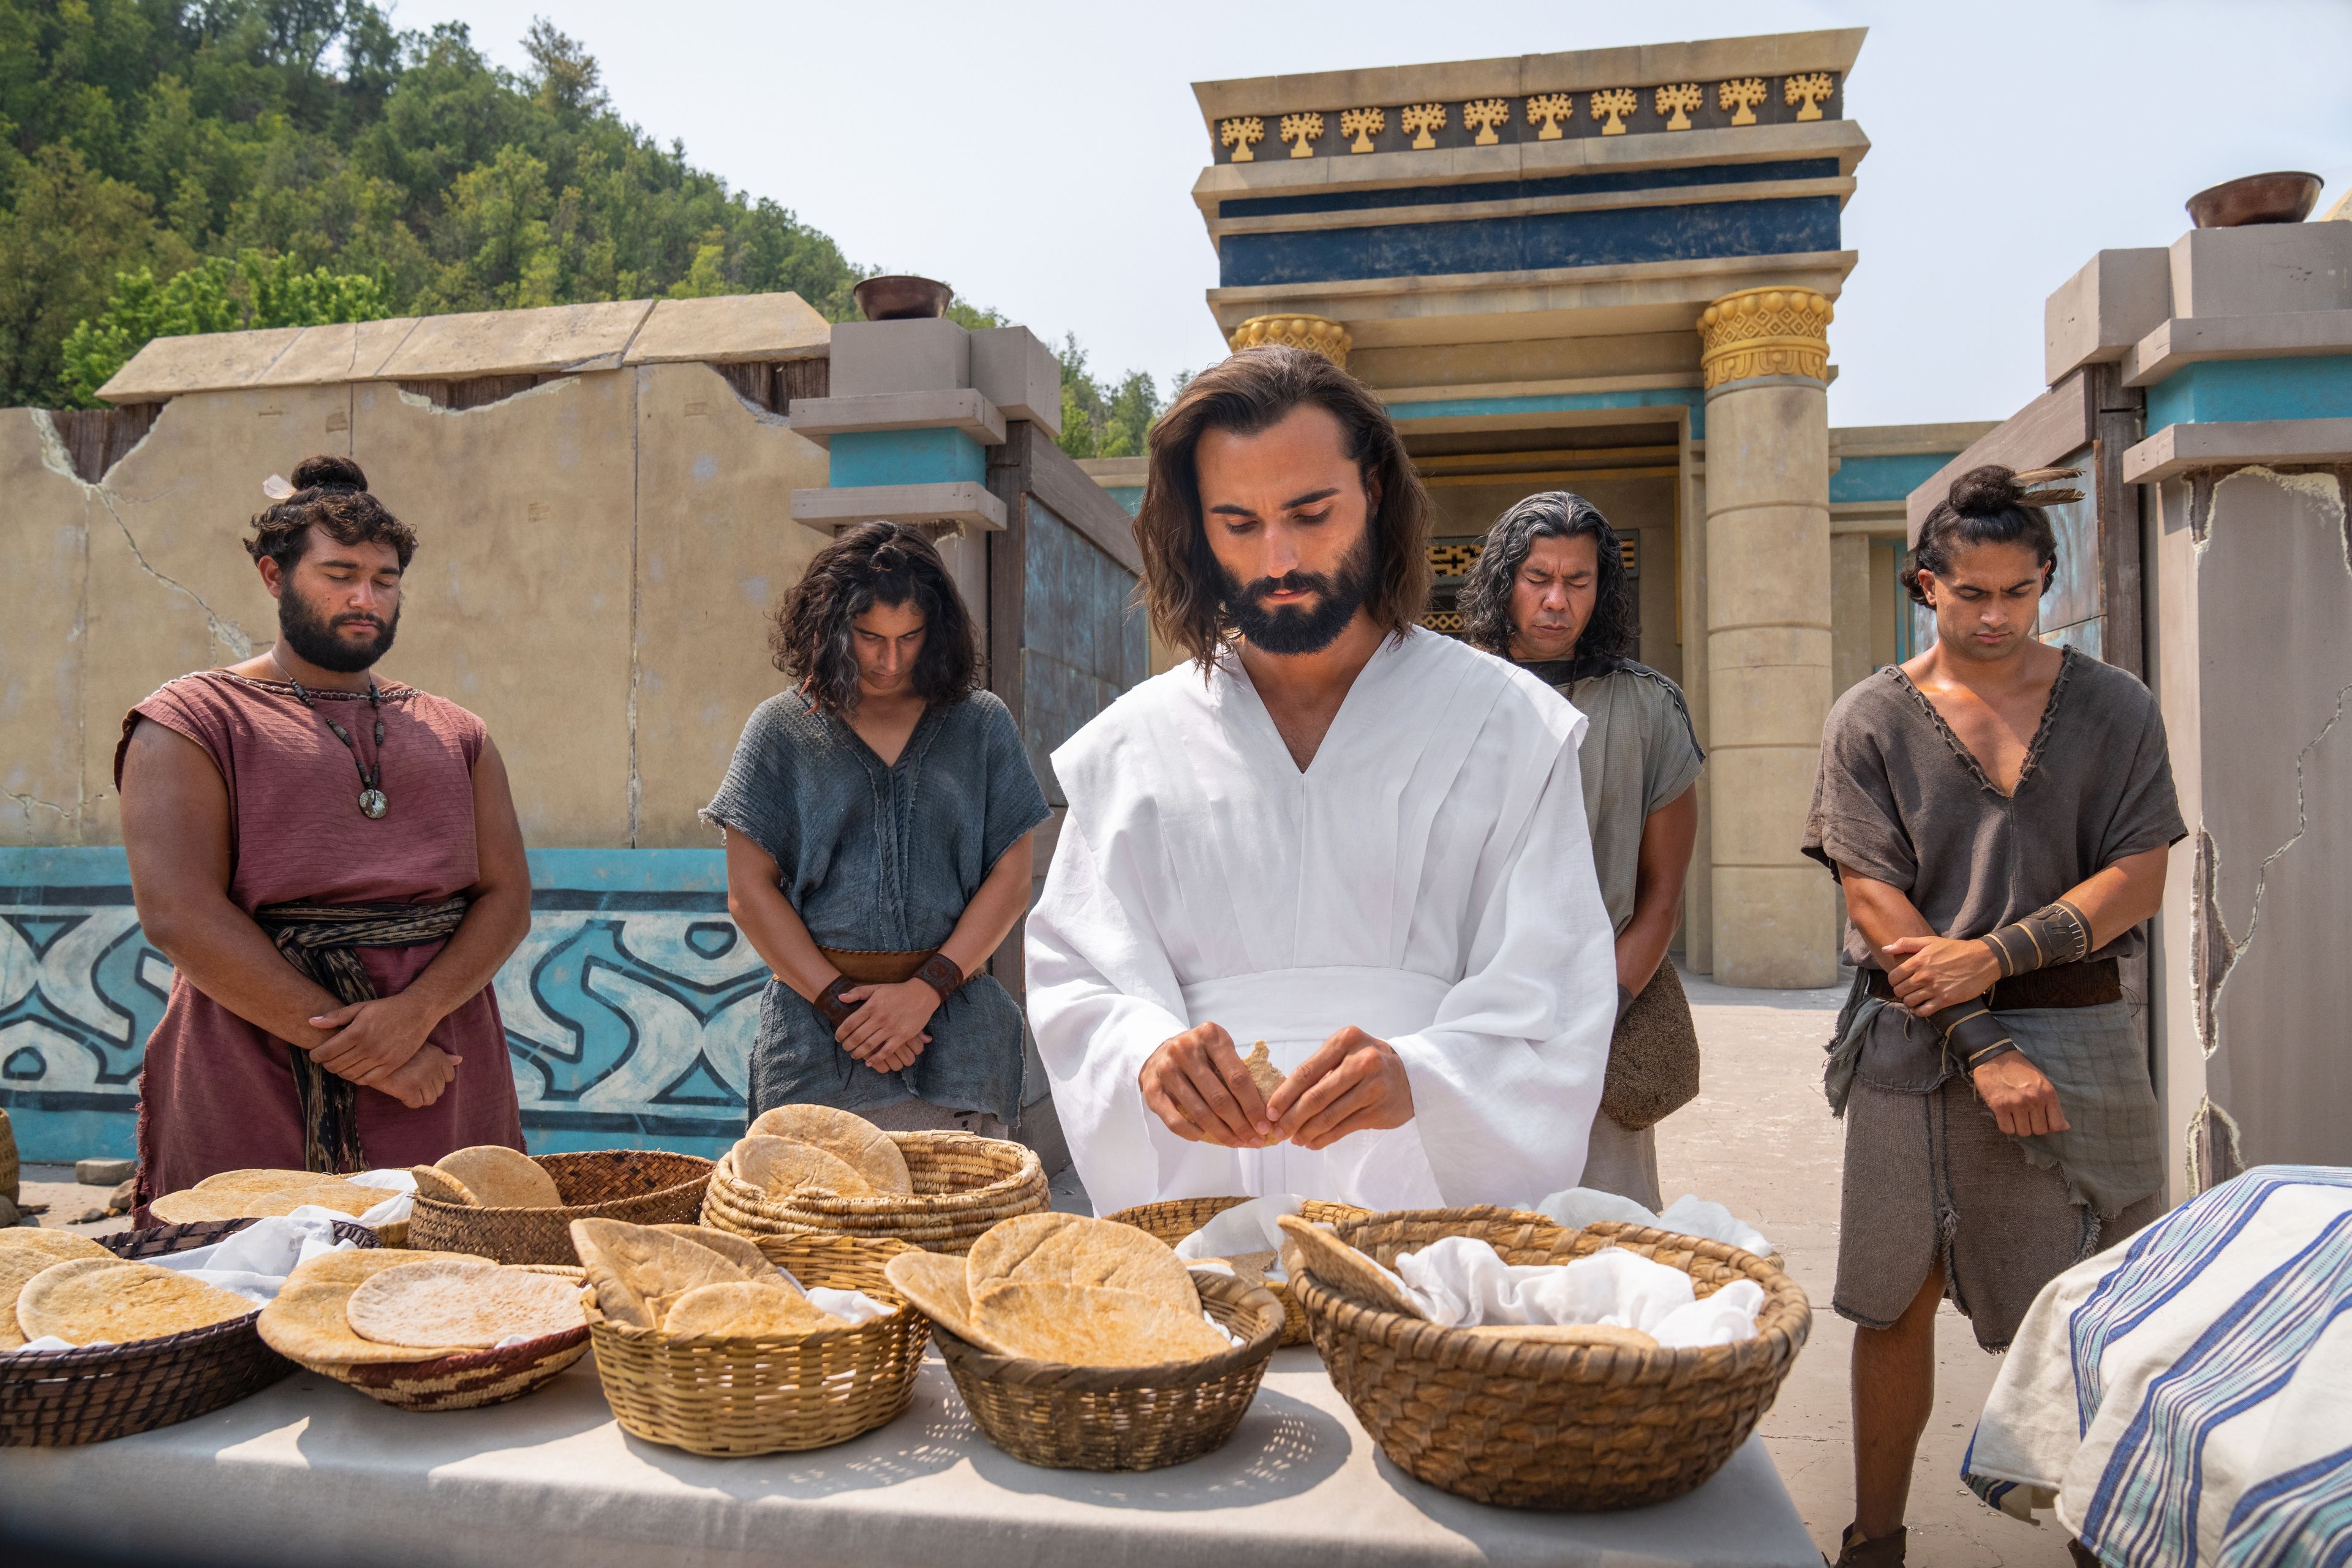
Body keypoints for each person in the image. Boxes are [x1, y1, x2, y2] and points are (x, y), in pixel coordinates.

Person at [1024, 345, 1618, 1215]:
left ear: (1373, 491)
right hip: (1201, 1224)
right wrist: (1147, 1055)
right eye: (1239, 522)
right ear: (1198, 526)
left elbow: (1556, 991)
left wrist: (1425, 1077)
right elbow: (1080, 977)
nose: (1278, 558)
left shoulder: (1509, 728)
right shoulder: (1133, 749)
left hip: (1429, 1225)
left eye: (1310, 513)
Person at [1803, 465, 2184, 1567]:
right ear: (1928, 584)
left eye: (2019, 592)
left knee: (2105, 1310)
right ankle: (1874, 1542)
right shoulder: (1872, 716)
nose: (1994, 616)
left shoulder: (2114, 706)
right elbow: (1873, 897)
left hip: (2084, 1038)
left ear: (2046, 583)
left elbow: (2139, 874)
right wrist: (1984, 1037)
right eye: (1970, 592)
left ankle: (2103, 1539)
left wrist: (1998, 956)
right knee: (1891, 1304)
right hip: (1916, 1048)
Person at [115, 454, 532, 1200]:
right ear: (275, 578)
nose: (365, 598)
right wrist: (366, 1051)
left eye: (385, 579)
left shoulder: (458, 732)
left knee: (454, 1285)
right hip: (257, 1064)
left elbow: (506, 898)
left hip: (443, 1064)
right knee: (245, 1290)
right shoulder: (192, 722)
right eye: (338, 575)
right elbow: (180, 914)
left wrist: (416, 1015)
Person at [706, 523, 1050, 1137]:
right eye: (870, 638)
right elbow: (749, 891)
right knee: (817, 1232)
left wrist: (926, 990)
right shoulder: (780, 730)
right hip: (816, 1048)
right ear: (830, 628)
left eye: (909, 637)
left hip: (959, 1040)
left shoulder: (980, 725)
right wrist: (844, 1009)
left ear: (936, 630)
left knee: (961, 1222)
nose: (891, 660)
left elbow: (1012, 876)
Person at [1458, 491, 1703, 1210]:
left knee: (1607, 1244)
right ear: (1504, 581)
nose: (1557, 601)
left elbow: (1661, 895)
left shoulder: (1649, 707)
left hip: (1598, 1025)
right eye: (1538, 579)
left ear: (1604, 588)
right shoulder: (1445, 694)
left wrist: (1598, 1014)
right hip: (1462, 1019)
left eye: (1578, 581)